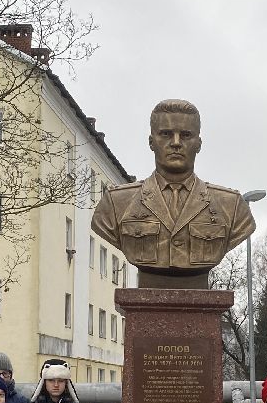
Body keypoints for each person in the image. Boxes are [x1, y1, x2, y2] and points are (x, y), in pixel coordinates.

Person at [90, 98, 256, 288]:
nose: (176, 143)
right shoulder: (116, 203)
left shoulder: (231, 206)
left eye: (185, 135)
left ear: (199, 144)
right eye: (166, 134)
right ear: (152, 142)